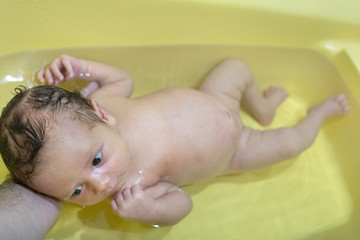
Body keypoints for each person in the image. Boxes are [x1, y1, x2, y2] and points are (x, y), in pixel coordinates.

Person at [0, 55, 349, 226]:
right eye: (77, 192)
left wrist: (80, 68)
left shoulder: (107, 103)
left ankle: (263, 107)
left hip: (217, 98)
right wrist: (148, 211)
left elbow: (123, 78)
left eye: (96, 161)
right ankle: (318, 116)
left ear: (102, 116)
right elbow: (182, 204)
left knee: (236, 66)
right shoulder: (131, 190)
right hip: (236, 152)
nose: (100, 184)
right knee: (291, 144)